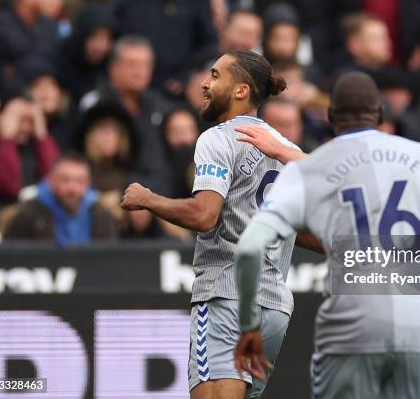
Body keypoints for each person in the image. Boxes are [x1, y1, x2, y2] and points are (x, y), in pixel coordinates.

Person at [233, 72, 420, 399]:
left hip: (351, 332)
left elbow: (250, 248)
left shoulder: (307, 168)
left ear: (330, 117)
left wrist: (249, 324)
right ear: (380, 115)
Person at [120, 50, 304, 399]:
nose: (205, 84)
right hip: (274, 308)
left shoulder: (216, 138)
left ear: (241, 90)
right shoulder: (286, 149)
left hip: (227, 297)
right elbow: (307, 232)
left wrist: (147, 199)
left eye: (216, 76)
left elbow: (205, 215)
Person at [80, 35, 170, 194]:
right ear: (113, 68)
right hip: (107, 193)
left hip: (156, 193)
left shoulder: (160, 106)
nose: (139, 72)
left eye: (146, 65)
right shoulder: (95, 104)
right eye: (132, 64)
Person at [3, 154, 118, 246]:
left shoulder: (101, 215)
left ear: (88, 183)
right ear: (51, 181)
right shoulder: (27, 215)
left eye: (80, 181)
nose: (72, 188)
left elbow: (108, 258)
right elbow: (14, 258)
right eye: (65, 180)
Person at [0, 0, 60, 98]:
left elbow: (55, 66)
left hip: (47, 98)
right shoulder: (1, 25)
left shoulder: (50, 25)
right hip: (7, 99)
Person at [56, 2, 118, 105]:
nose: (101, 46)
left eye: (107, 39)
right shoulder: (59, 67)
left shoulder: (111, 73)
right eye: (95, 37)